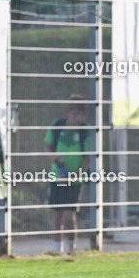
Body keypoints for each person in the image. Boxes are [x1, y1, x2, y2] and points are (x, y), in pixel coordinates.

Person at [46, 96, 89, 254]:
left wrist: (76, 176)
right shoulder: (57, 126)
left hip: (75, 180)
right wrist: (53, 158)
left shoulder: (85, 130)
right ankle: (56, 251)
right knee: (56, 216)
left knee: (68, 216)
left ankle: (71, 249)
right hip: (57, 177)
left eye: (80, 115)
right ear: (68, 112)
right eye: (74, 114)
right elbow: (47, 146)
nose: (77, 118)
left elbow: (88, 158)